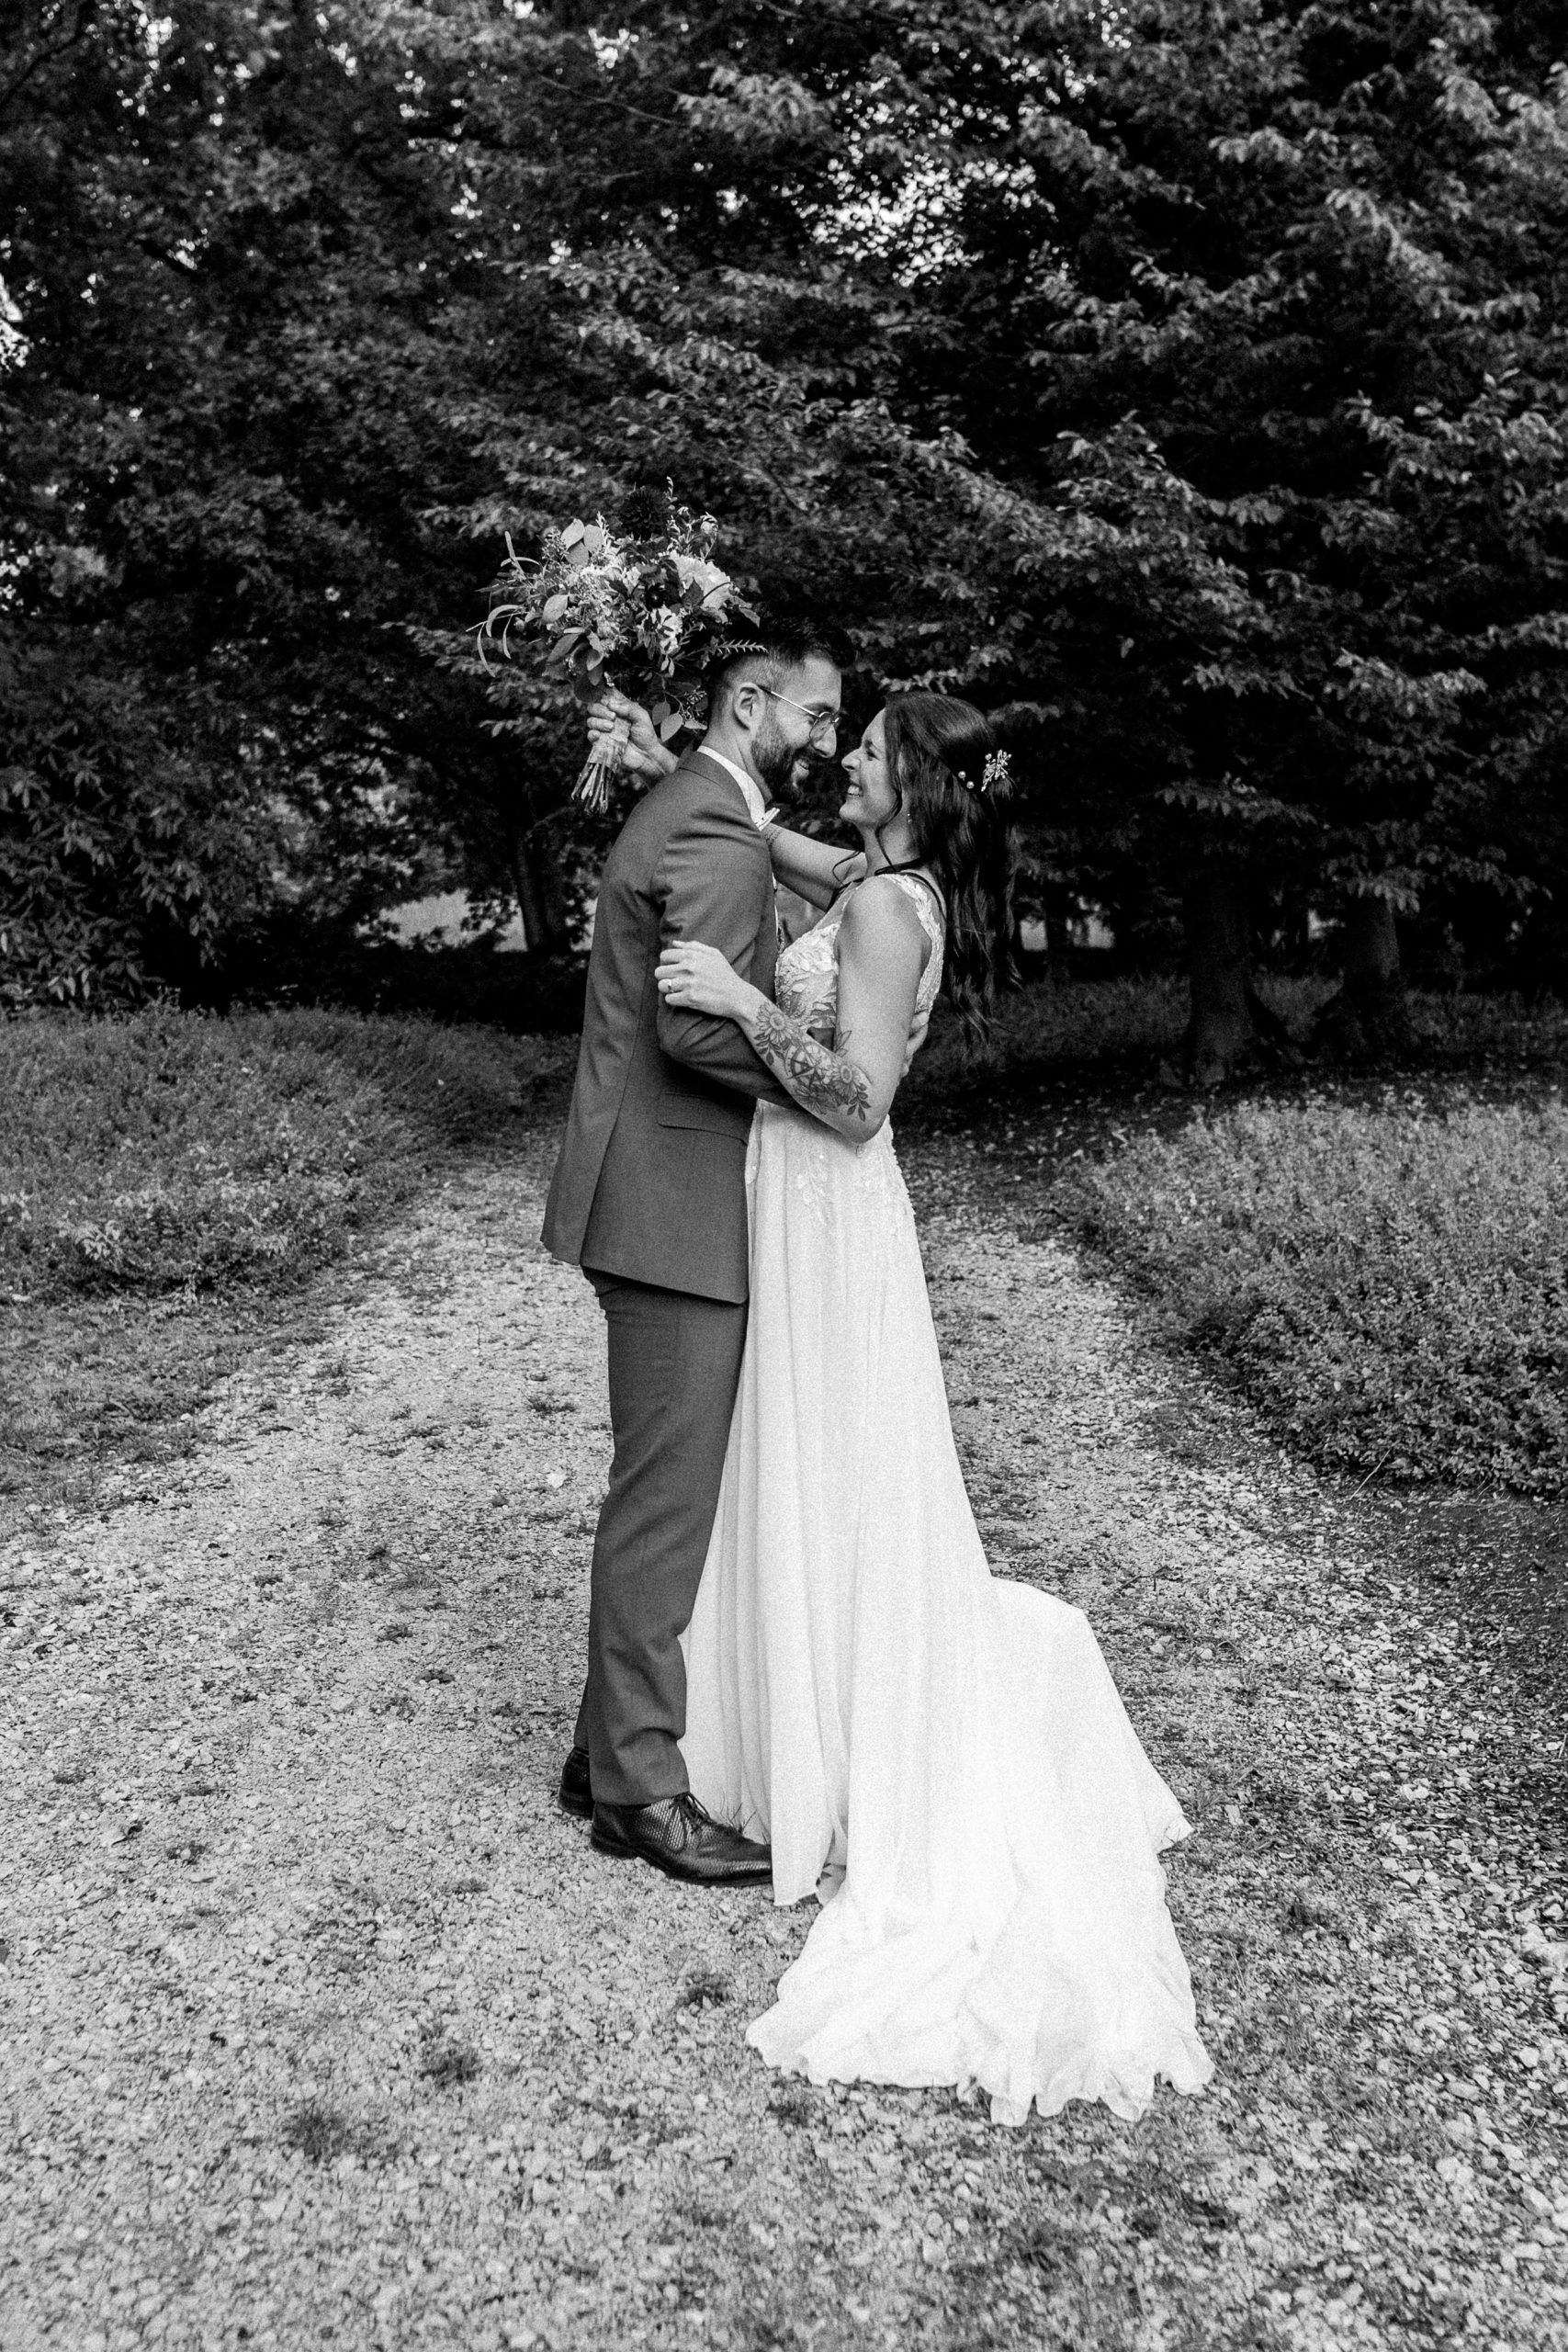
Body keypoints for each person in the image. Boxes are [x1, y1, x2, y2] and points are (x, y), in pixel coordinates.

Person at [642, 688, 1214, 2124]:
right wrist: (679, 768)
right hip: (795, 1201)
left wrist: (740, 999)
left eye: (873, 745)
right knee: (807, 1464)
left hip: (831, 1203)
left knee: (838, 1464)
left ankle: (852, 1741)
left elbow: (860, 1102)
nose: (849, 754)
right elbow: (770, 842)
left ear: (916, 781)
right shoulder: (874, 875)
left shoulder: (895, 912)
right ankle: (802, 1712)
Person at [541, 620, 851, 1885]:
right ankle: (640, 1795)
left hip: (655, 1191)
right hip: (672, 1204)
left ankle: (600, 1753)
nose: (828, 740)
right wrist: (830, 1088)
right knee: (666, 1509)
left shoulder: (697, 803)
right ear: (749, 704)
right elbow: (699, 1031)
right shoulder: (713, 825)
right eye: (817, 716)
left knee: (661, 1493)